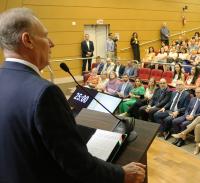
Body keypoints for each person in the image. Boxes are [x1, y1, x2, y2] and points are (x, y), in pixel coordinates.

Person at [0, 8, 145, 183]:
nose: (51, 43)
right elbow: (77, 164)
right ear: (28, 40)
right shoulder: (45, 92)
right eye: (45, 36)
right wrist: (121, 174)